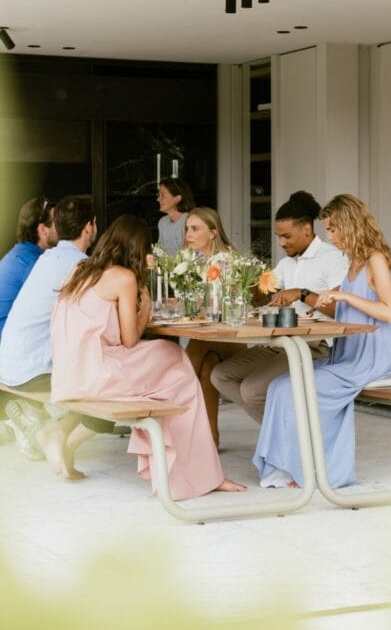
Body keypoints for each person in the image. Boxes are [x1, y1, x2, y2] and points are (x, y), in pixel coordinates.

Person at [50, 214, 246, 497]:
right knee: (177, 361)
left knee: (173, 374)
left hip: (70, 374)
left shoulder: (80, 270)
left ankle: (181, 469)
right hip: (99, 374)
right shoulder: (124, 277)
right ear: (137, 248)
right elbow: (130, 339)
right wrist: (145, 300)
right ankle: (199, 475)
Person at [253, 194, 391, 489]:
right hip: (345, 353)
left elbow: (390, 312)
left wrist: (345, 296)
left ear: (349, 225)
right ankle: (286, 466)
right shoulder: (352, 262)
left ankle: (312, 469)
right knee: (279, 386)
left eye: (333, 229)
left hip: (369, 358)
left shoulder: (375, 259)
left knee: (299, 389)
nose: (329, 236)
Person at [211, 190, 347, 425]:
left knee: (252, 391)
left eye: (287, 236)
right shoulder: (286, 264)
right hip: (279, 342)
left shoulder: (332, 257)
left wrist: (301, 293)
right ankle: (282, 435)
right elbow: (262, 293)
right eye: (278, 237)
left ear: (307, 230)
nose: (282, 243)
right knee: (221, 375)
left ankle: (290, 438)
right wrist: (241, 278)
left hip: (315, 345)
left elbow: (340, 308)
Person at [0, 194, 105, 471]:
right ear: (89, 227)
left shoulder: (47, 258)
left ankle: (49, 429)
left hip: (9, 364)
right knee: (111, 382)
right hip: (31, 372)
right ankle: (57, 433)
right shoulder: (81, 266)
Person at [180, 206, 235, 445]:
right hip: (210, 337)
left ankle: (172, 407)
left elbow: (221, 306)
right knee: (208, 364)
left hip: (231, 336)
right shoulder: (192, 261)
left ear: (213, 233)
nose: (188, 235)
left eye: (195, 229)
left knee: (197, 349)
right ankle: (211, 437)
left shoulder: (226, 261)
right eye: (187, 229)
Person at [0, 196, 58, 339]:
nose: (62, 227)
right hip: (9, 344)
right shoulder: (32, 262)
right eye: (57, 222)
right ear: (43, 229)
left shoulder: (22, 253)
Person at [156, 177, 195, 255]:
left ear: (177, 198)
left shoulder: (189, 220)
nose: (158, 199)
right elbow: (160, 252)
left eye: (163, 195)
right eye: (159, 195)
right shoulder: (162, 222)